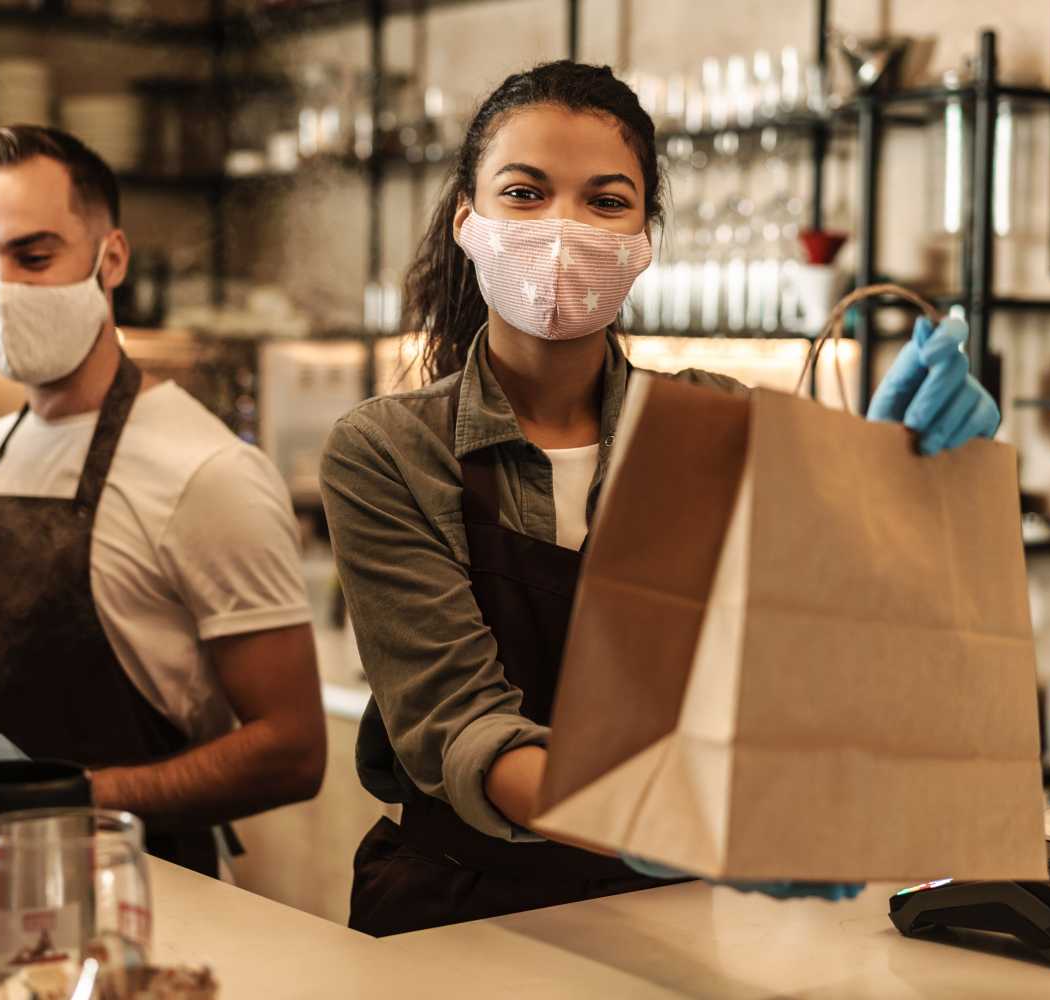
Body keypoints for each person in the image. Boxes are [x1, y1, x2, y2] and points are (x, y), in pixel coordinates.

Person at [319, 62, 999, 936]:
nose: (562, 228)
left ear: (644, 239)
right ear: (467, 221)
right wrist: (663, 825)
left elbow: (849, 631)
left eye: (605, 201)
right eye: (524, 193)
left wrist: (921, 473)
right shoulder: (388, 451)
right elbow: (463, 728)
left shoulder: (712, 420)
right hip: (457, 915)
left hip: (667, 920)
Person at [0, 125, 326, 877]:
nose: (5, 290)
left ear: (112, 259)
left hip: (149, 890)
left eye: (34, 256)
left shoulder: (208, 473)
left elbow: (292, 750)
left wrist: (69, 797)